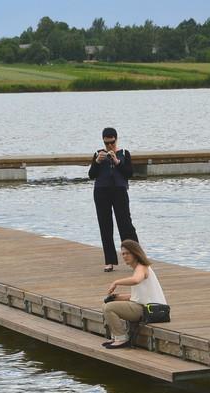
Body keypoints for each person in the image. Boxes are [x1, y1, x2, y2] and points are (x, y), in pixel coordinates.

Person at [88, 127, 138, 272]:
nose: (109, 146)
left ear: (116, 139)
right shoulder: (98, 154)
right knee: (105, 226)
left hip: (119, 191)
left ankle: (136, 256)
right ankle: (109, 261)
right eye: (106, 143)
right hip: (101, 192)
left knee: (126, 225)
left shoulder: (124, 153)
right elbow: (91, 175)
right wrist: (97, 162)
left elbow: (129, 173)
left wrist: (117, 162)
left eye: (112, 143)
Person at [102, 240, 167, 349]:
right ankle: (115, 337)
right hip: (146, 307)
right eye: (123, 254)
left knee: (109, 308)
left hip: (151, 310)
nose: (125, 256)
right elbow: (138, 296)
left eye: (128, 253)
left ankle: (121, 338)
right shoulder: (139, 268)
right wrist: (116, 297)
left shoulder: (142, 267)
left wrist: (116, 282)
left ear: (135, 253)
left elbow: (136, 280)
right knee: (107, 304)